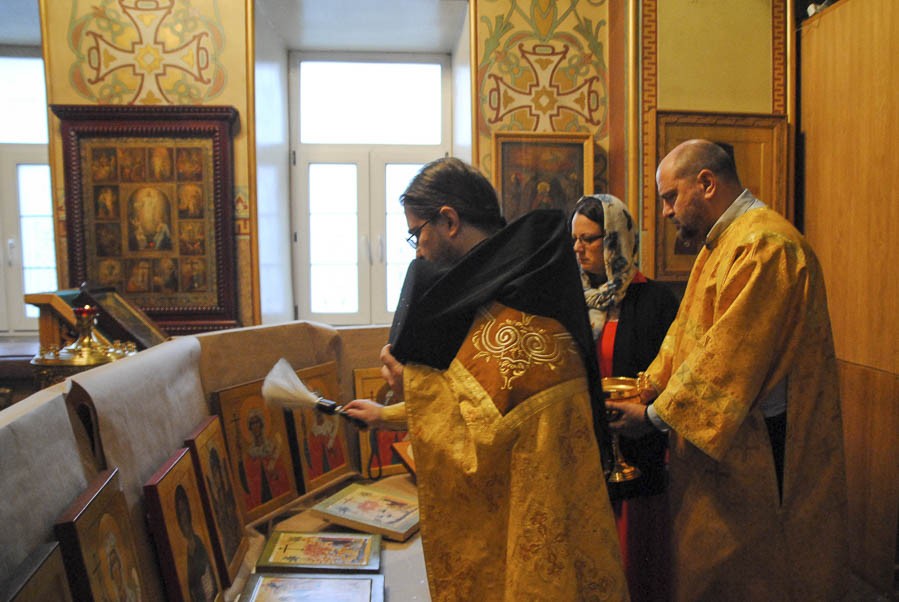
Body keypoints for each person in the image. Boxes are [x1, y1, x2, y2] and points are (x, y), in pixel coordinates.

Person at [343, 157, 628, 602]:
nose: (417, 251)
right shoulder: (508, 286)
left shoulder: (519, 308)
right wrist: (388, 413)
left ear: (449, 221)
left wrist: (411, 386)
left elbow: (486, 438)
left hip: (538, 534)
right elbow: (475, 405)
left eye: (417, 234)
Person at [607, 139, 849, 601]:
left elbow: (730, 357)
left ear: (706, 183)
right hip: (728, 443)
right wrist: (644, 388)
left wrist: (652, 417)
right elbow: (686, 336)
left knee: (755, 574)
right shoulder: (722, 243)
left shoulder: (766, 246)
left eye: (670, 197)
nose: (665, 212)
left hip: (763, 446)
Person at [571, 193, 678, 602]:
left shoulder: (655, 300)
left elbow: (674, 374)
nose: (578, 248)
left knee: (636, 564)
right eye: (575, 239)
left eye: (589, 239)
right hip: (586, 451)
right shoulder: (573, 302)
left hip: (639, 449)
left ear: (616, 238)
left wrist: (646, 414)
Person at [174, 484, 218, 602]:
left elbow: (209, 574)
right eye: (180, 514)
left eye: (184, 511)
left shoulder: (198, 541)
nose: (183, 518)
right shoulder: (182, 553)